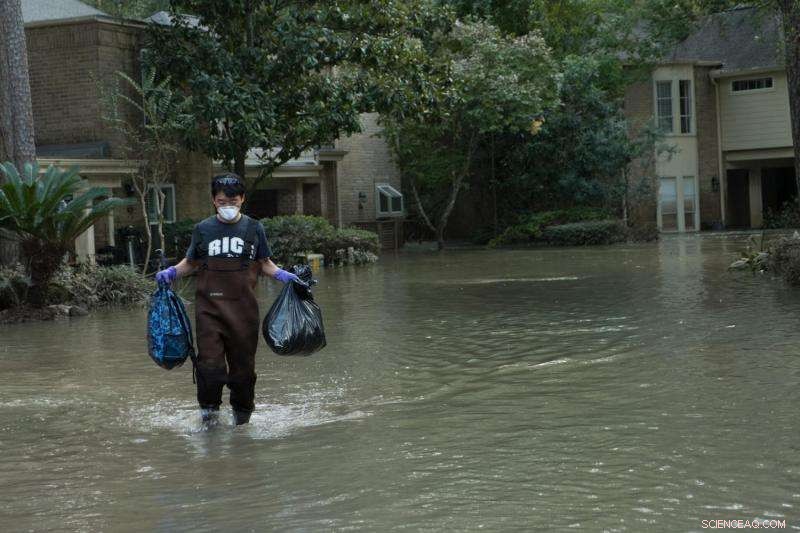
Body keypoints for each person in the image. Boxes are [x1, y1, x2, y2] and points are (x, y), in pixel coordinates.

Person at [155, 173, 302, 426]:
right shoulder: (203, 229)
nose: (227, 206)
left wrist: (285, 276)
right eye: (222, 201)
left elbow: (265, 264)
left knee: (243, 373)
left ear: (242, 199)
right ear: (213, 200)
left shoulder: (254, 229)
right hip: (209, 312)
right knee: (210, 368)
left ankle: (242, 423)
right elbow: (191, 263)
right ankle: (209, 420)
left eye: (233, 201)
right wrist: (170, 273)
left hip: (244, 313)